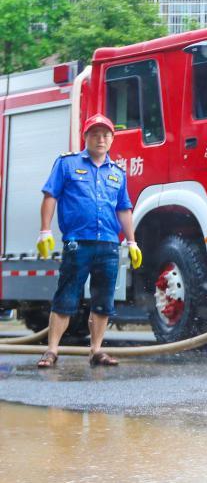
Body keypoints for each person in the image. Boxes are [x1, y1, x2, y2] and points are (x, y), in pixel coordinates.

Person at [35, 114, 142, 369]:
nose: (100, 139)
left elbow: (124, 208)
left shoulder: (117, 173)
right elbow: (50, 196)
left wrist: (132, 241)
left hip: (108, 245)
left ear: (112, 139)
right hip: (77, 243)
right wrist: (45, 231)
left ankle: (96, 350)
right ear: (86, 137)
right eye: (95, 134)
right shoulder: (67, 164)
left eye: (106, 134)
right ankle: (51, 351)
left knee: (103, 300)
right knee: (66, 298)